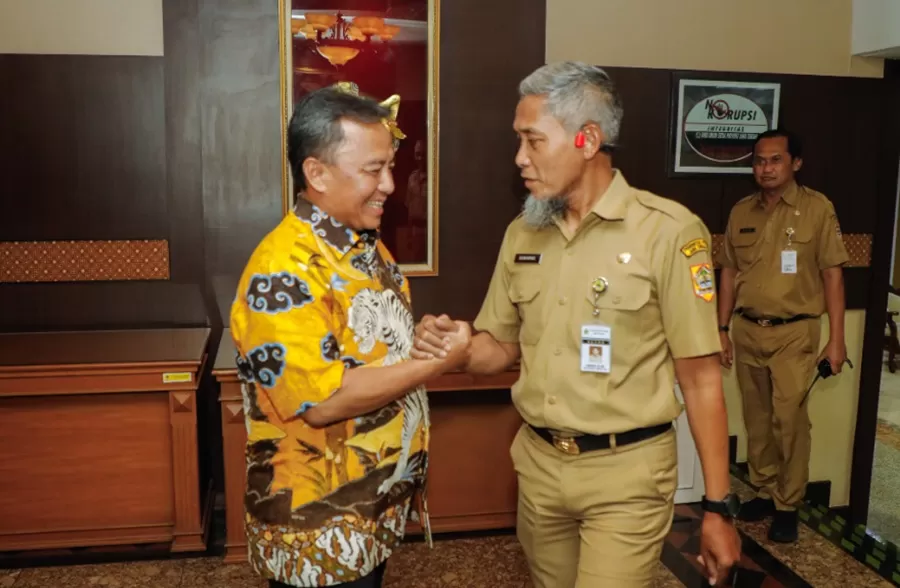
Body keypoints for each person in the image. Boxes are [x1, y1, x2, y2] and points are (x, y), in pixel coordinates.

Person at [412, 61, 741, 587]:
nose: (520, 158)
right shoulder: (523, 232)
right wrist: (462, 347)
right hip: (539, 468)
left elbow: (702, 381)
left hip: (627, 475)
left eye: (533, 141)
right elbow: (500, 347)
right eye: (518, 140)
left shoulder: (669, 232)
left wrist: (718, 509)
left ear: (587, 140)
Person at [230, 84, 469, 588]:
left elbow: (367, 348)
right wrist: (438, 362)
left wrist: (417, 337)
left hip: (369, 506)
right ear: (316, 172)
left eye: (389, 166)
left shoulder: (365, 248)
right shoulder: (284, 269)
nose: (390, 183)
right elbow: (323, 400)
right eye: (373, 170)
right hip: (317, 526)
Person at [716, 129, 849, 543]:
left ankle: (788, 505)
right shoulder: (742, 211)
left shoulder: (816, 209)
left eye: (775, 160)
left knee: (789, 421)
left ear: (795, 163)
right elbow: (728, 273)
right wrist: (720, 330)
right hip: (747, 328)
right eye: (759, 160)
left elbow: (833, 275)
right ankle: (764, 489)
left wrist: (837, 339)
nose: (765, 168)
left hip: (796, 332)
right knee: (757, 420)